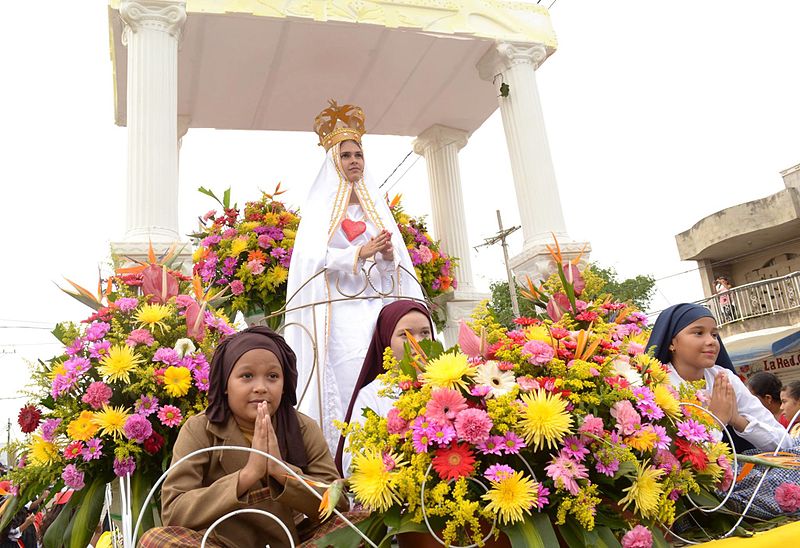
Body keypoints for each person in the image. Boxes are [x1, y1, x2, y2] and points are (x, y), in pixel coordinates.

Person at [285, 100, 423, 453]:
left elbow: (394, 268)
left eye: (358, 154)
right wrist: (358, 253)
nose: (354, 161)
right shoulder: (320, 208)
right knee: (349, 375)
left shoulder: (376, 208)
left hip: (377, 308)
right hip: (340, 312)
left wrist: (387, 255)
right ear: (334, 161)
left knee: (384, 378)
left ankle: (393, 451)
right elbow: (309, 257)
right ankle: (343, 454)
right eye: (346, 155)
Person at [139, 327, 343, 548]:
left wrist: (281, 472)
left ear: (284, 385)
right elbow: (174, 513)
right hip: (219, 543)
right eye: (247, 376)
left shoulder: (302, 428)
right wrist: (247, 475)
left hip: (291, 541)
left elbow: (339, 504)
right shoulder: (200, 429)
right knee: (156, 541)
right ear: (226, 384)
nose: (261, 388)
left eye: (273, 376)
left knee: (359, 521)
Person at [647, 303, 787, 453]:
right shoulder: (655, 384)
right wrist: (716, 420)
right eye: (698, 333)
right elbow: (670, 459)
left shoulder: (724, 379)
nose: (712, 341)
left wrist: (738, 420)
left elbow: (784, 444)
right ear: (672, 342)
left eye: (714, 335)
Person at [334, 300, 434, 475]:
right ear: (385, 339)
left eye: (425, 333)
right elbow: (353, 464)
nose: (417, 342)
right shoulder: (372, 395)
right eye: (405, 335)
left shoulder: (449, 381)